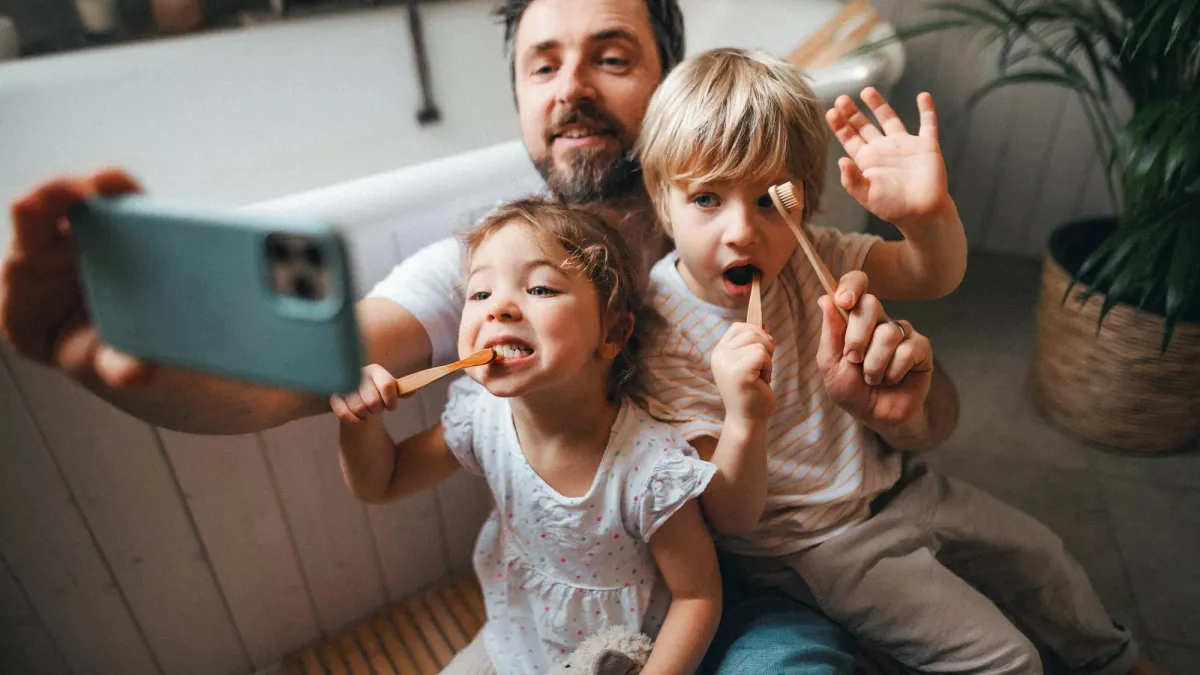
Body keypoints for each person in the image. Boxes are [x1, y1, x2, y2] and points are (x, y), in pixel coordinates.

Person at [0, 0, 954, 671]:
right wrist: (122, 365)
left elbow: (934, 403)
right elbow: (296, 375)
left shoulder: (757, 214)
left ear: (669, 77)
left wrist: (910, 409)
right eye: (543, 64)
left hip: (762, 578)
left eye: (611, 57)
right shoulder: (495, 259)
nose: (570, 87)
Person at [635, 47, 1163, 675]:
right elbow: (727, 517)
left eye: (770, 201)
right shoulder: (659, 333)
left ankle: (1116, 661)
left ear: (804, 200)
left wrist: (926, 217)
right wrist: (745, 418)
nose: (743, 232)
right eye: (706, 200)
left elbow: (931, 272)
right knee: (1006, 659)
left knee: (1045, 558)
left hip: (899, 482)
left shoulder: (817, 258)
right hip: (813, 545)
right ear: (662, 201)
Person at [333, 198, 721, 675]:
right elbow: (383, 481)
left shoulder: (650, 469)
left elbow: (697, 596)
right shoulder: (482, 418)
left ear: (612, 333)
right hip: (516, 637)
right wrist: (360, 420)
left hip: (617, 658)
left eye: (539, 288)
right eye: (479, 295)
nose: (499, 308)